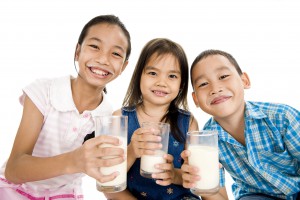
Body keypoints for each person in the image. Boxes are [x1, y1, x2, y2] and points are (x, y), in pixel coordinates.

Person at [0, 14, 131, 199]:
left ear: (123, 67)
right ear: (77, 52)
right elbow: (14, 170)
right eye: (94, 46)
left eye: (116, 53)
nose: (103, 59)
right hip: (13, 192)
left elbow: (109, 182)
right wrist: (74, 160)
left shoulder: (110, 119)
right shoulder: (44, 93)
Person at [181, 49, 300, 200]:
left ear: (244, 81)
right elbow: (219, 197)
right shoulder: (207, 141)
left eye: (223, 76)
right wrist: (202, 184)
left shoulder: (282, 118)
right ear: (196, 99)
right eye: (204, 84)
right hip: (256, 196)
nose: (215, 89)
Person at [104, 38, 200, 200]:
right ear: (139, 75)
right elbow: (108, 180)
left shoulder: (187, 122)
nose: (161, 82)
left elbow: (195, 177)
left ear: (182, 84)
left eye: (172, 76)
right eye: (153, 73)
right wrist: (132, 151)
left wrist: (174, 175)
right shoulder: (120, 118)